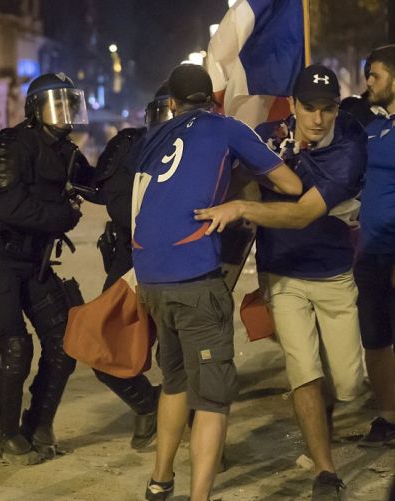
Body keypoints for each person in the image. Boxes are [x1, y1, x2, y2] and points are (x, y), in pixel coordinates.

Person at [195, 64, 367, 500]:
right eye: (309, 108)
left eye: (327, 110)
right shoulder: (268, 135)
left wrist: (243, 208)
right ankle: (325, 472)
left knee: (347, 383)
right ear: (292, 105)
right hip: (283, 273)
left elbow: (303, 213)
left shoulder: (349, 143)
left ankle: (325, 416)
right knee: (302, 371)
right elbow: (227, 171)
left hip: (333, 273)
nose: (318, 119)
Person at [133, 64, 302, 501]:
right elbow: (290, 182)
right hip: (194, 278)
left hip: (151, 277)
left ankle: (160, 481)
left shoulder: (155, 136)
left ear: (171, 103)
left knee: (175, 383)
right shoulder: (225, 126)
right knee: (212, 399)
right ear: (213, 99)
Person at [0, 72, 89, 465]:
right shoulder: (10, 143)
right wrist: (63, 216)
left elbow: (100, 184)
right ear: (36, 109)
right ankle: (1, 431)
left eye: (70, 104)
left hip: (35, 261)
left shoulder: (66, 150)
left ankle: (38, 425)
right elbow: (8, 206)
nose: (65, 113)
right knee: (15, 345)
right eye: (57, 104)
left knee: (63, 342)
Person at [85, 83, 172, 450]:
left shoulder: (208, 145)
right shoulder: (131, 146)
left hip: (182, 264)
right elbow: (119, 204)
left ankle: (182, 420)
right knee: (105, 346)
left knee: (179, 355)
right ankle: (149, 405)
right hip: (130, 263)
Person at [353, 44, 395, 448]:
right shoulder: (373, 124)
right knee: (376, 337)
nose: (368, 82)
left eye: (375, 75)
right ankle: (387, 417)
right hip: (371, 252)